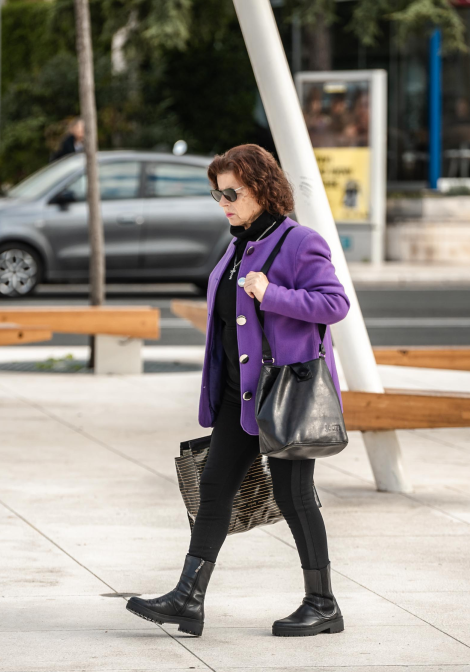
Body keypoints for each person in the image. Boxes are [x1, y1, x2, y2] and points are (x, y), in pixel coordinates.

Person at [126, 144, 350, 639]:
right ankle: (188, 598)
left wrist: (272, 294)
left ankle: (323, 603)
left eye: (232, 192)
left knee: (294, 496)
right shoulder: (236, 245)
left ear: (262, 189)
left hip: (283, 392)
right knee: (213, 488)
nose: (223, 201)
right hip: (238, 393)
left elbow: (334, 304)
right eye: (217, 193)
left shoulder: (298, 242)